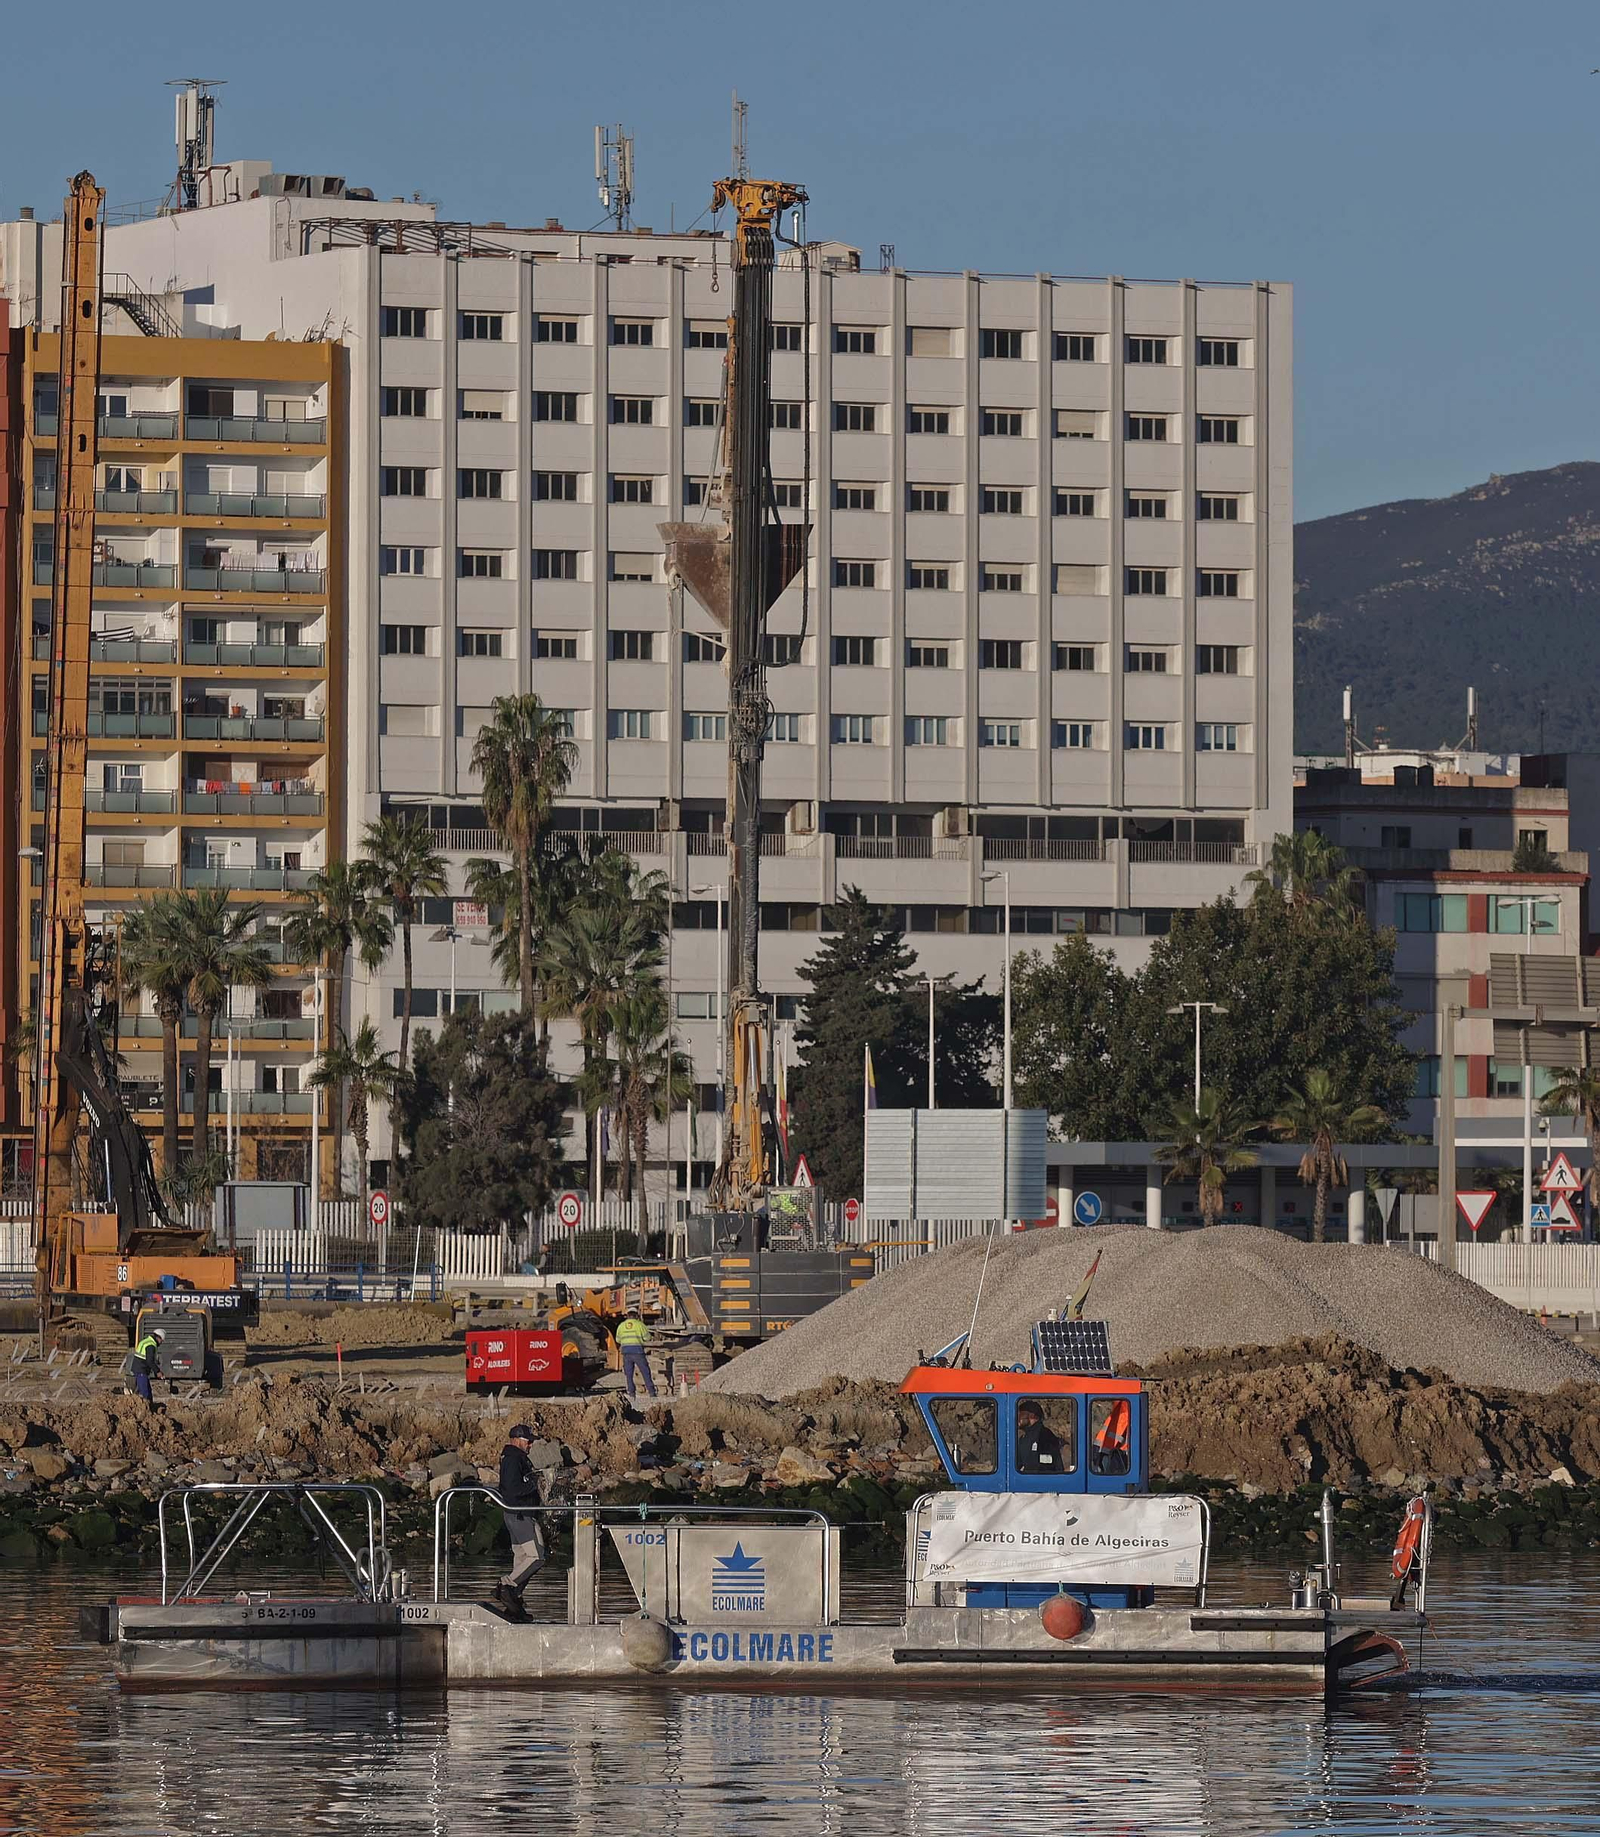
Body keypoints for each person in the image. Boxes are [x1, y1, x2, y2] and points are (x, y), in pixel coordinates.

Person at [493, 1425, 546, 1621]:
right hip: (521, 1514)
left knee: (522, 1559)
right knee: (536, 1557)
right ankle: (506, 1586)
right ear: (516, 1439)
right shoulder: (514, 1458)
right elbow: (512, 1488)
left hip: (514, 1514)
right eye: (528, 1440)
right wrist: (536, 1484)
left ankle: (514, 1603)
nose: (531, 1444)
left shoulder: (511, 1457)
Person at [1015, 1400, 1066, 1476]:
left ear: (1032, 1415)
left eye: (1021, 1414)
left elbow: (1048, 1465)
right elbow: (1018, 1464)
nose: (1017, 1418)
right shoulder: (1023, 1438)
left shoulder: (1044, 1435)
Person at [615, 1308, 656, 1399]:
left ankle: (631, 1393)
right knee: (645, 1372)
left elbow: (617, 1339)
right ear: (636, 1316)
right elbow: (647, 1337)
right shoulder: (640, 1325)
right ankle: (652, 1392)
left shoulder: (621, 1326)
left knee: (629, 1374)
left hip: (626, 1352)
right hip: (637, 1351)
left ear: (627, 1315)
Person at [126, 1326, 162, 1404]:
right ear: (158, 1338)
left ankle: (150, 1408)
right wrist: (158, 1371)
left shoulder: (146, 1341)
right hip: (141, 1370)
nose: (161, 1342)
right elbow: (150, 1361)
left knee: (148, 1392)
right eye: (161, 1340)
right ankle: (145, 1410)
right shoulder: (151, 1345)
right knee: (145, 1393)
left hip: (140, 1369)